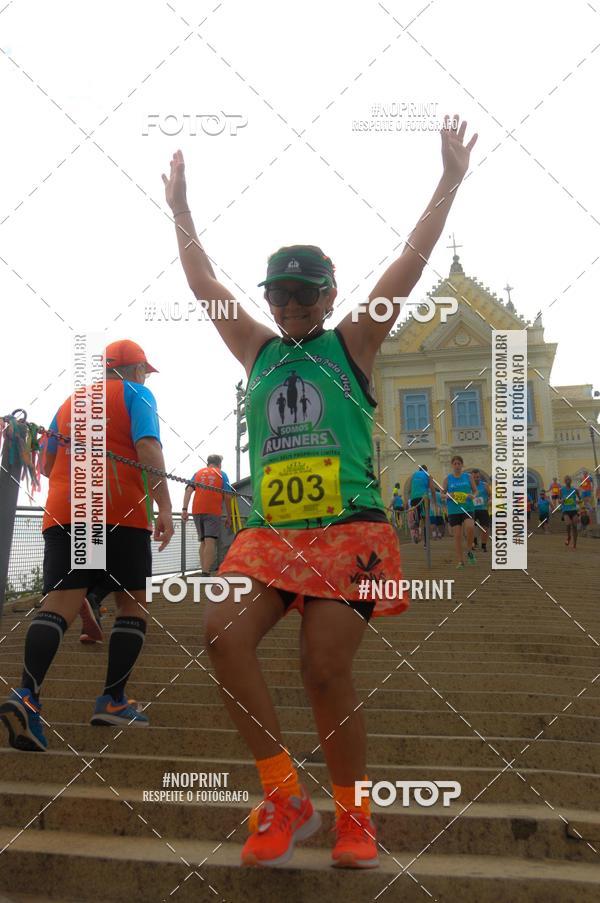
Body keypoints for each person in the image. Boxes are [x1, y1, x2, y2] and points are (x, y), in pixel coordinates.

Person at [163, 114, 477, 869]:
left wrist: (449, 179)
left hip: (349, 531)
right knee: (220, 632)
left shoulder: (354, 342)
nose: (293, 307)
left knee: (323, 667)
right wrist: (179, 211)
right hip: (271, 534)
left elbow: (409, 258)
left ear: (330, 295)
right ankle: (283, 794)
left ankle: (354, 816)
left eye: (306, 295)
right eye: (281, 294)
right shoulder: (258, 348)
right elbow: (205, 284)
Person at [0, 340, 174, 752]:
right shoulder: (137, 395)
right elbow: (148, 447)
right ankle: (112, 701)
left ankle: (27, 695)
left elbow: (45, 464)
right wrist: (164, 504)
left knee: (57, 605)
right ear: (132, 370)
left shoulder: (68, 402)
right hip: (120, 512)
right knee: (131, 604)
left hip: (67, 512)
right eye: (143, 371)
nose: (145, 377)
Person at [182, 455, 233, 576]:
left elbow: (188, 490)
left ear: (208, 463)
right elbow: (227, 496)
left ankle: (203, 570)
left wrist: (184, 509)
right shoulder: (222, 474)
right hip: (212, 510)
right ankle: (205, 572)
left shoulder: (198, 473)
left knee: (203, 541)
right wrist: (229, 516)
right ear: (219, 464)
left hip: (196, 510)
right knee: (210, 541)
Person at [443, 455, 477, 568]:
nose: (457, 466)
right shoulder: (448, 479)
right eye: (455, 464)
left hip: (467, 507)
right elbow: (442, 495)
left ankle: (469, 550)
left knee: (470, 527)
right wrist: (449, 495)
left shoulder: (468, 477)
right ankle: (460, 561)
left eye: (459, 463)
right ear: (452, 465)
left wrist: (473, 496)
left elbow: (475, 491)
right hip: (454, 509)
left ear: (462, 465)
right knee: (457, 536)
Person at [409, 465, 434, 545]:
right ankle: (426, 543)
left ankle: (416, 533)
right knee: (425, 520)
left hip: (413, 499)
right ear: (426, 470)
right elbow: (432, 488)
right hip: (423, 499)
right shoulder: (428, 475)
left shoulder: (413, 475)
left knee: (417, 519)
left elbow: (409, 488)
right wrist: (434, 501)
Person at [470, 469, 490, 552]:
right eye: (474, 477)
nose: (476, 479)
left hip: (483, 509)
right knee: (471, 528)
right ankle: (474, 542)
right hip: (472, 509)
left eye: (477, 477)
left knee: (485, 528)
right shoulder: (469, 486)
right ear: (472, 477)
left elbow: (491, 495)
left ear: (480, 477)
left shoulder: (485, 485)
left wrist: (490, 500)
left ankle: (484, 545)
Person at [560, 476, 580, 549]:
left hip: (574, 510)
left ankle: (574, 544)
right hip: (565, 510)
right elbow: (559, 500)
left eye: (569, 480)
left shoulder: (575, 490)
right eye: (566, 480)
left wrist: (579, 503)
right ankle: (568, 536)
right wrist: (561, 501)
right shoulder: (561, 490)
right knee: (568, 524)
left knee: (574, 526)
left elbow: (580, 499)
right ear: (565, 481)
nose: (568, 481)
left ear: (570, 481)